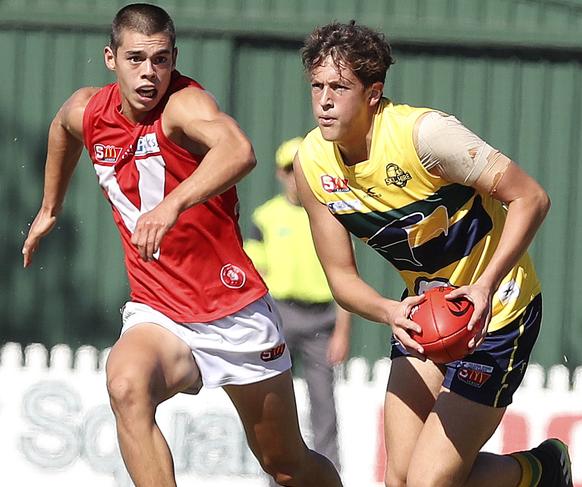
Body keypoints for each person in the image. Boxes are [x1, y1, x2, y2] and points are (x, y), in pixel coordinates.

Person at [20, 4, 342, 487]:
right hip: (160, 313)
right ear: (111, 58)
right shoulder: (88, 110)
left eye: (161, 59)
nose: (149, 73)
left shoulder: (184, 106)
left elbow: (240, 151)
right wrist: (49, 207)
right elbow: (63, 129)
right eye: (135, 59)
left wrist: (170, 207)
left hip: (234, 313)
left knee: (286, 466)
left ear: (175, 58)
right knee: (126, 384)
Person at [293, 21, 572, 487]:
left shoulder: (425, 136)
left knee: (428, 482)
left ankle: (540, 471)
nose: (324, 100)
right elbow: (341, 279)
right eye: (317, 86)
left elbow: (531, 198)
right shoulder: (311, 163)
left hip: (498, 311)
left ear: (373, 93)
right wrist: (390, 312)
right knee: (399, 479)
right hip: (426, 315)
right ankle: (539, 475)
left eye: (339, 87)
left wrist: (484, 288)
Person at [244, 136, 352, 481]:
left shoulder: (329, 215)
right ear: (280, 173)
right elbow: (254, 272)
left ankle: (327, 476)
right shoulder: (265, 217)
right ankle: (275, 475)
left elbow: (347, 277)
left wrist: (343, 330)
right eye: (291, 169)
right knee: (272, 401)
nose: (297, 176)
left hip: (321, 317)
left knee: (324, 404)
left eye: (303, 169)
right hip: (279, 313)